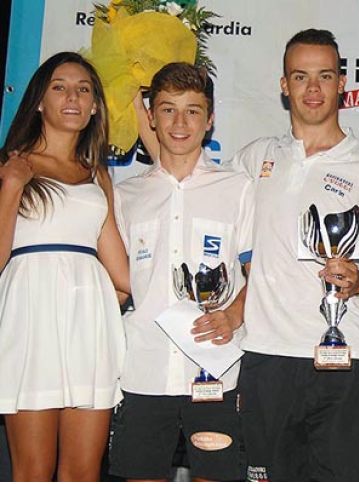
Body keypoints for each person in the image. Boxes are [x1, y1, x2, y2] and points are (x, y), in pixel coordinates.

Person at [228, 29, 359, 481]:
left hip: (343, 359)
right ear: (284, 85)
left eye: (324, 75)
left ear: (342, 83)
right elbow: (185, 167)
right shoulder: (255, 158)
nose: (313, 88)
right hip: (267, 355)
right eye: (301, 76)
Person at [109, 62, 252, 481]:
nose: (179, 123)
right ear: (151, 117)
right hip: (142, 371)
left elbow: (259, 272)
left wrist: (233, 315)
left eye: (192, 111)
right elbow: (118, 285)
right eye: (168, 110)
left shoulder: (238, 188)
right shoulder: (126, 195)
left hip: (215, 374)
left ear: (210, 120)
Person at [0, 51, 129, 481]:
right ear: (39, 101)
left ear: (94, 107)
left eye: (83, 89)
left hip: (88, 326)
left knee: (83, 473)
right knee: (33, 471)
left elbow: (121, 271)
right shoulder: (10, 165)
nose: (72, 97)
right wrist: (12, 185)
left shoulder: (97, 175)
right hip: (31, 321)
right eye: (60, 87)